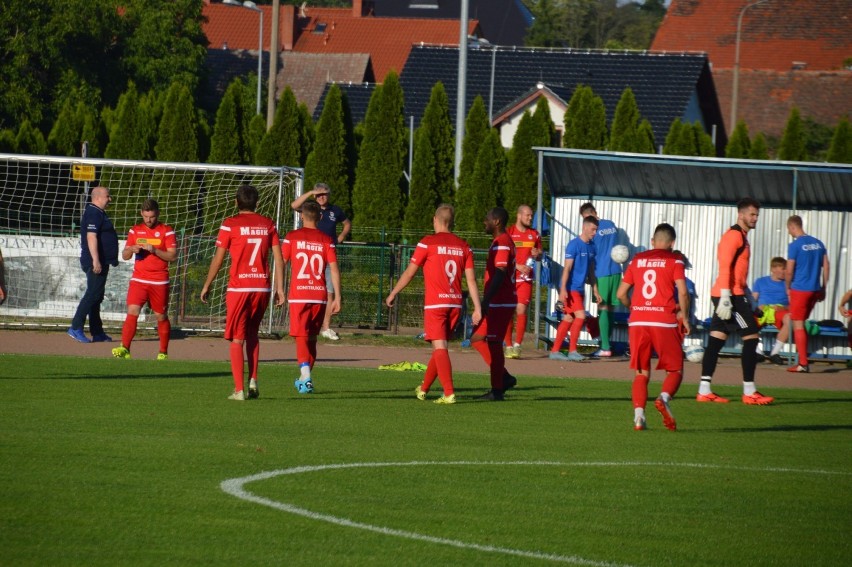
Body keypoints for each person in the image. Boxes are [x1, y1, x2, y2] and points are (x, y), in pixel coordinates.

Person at [385, 205, 482, 404]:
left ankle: (448, 392)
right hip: (455, 303)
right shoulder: (464, 246)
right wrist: (477, 308)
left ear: (434, 219)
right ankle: (424, 388)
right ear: (452, 222)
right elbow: (471, 280)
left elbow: (410, 273)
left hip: (436, 304)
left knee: (440, 349)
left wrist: (394, 292)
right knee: (440, 347)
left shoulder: (427, 243)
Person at [200, 184, 285, 401]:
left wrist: (207, 284)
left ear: (237, 202)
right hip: (261, 288)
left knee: (237, 340)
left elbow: (218, 258)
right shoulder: (268, 224)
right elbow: (278, 257)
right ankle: (253, 379)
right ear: (256, 203)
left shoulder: (230, 224)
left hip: (240, 288)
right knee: (253, 334)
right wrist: (280, 288)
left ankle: (239, 390)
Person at [697, 197, 773, 405]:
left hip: (734, 294)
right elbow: (724, 267)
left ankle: (704, 390)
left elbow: (738, 274)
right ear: (741, 215)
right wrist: (725, 297)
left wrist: (750, 299)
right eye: (752, 214)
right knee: (751, 336)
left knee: (716, 340)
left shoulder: (743, 237)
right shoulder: (733, 236)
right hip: (729, 296)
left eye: (757, 215)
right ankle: (749, 391)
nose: (755, 218)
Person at [617, 223, 690, 431]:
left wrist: (635, 308)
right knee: (675, 370)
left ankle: (638, 417)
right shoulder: (675, 260)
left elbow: (621, 294)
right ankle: (664, 398)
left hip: (638, 321)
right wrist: (684, 317)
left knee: (641, 373)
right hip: (663, 321)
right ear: (672, 243)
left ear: (652, 241)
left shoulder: (637, 260)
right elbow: (683, 292)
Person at [281, 200, 341, 394]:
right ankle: (303, 379)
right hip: (319, 295)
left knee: (301, 336)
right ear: (320, 217)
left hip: (299, 294)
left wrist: (279, 288)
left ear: (301, 216)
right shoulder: (326, 239)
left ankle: (306, 377)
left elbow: (281, 263)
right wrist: (338, 297)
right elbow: (334, 268)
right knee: (312, 338)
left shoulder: (292, 237)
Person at [111, 199, 178, 360]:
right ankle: (125, 348)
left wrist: (155, 250)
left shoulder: (167, 231)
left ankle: (163, 352)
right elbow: (125, 256)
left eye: (152, 217)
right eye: (146, 216)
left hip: (159, 281)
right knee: (132, 311)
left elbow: (173, 256)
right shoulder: (135, 231)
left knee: (160, 316)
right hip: (139, 280)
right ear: (142, 213)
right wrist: (131, 249)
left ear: (158, 214)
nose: (149, 220)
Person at [290, 182, 351, 341]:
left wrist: (342, 236)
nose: (321, 197)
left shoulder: (335, 210)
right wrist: (311, 192)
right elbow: (294, 205)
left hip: (328, 254)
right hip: (311, 255)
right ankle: (306, 325)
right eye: (318, 195)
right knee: (308, 289)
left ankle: (326, 327)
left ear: (329, 195)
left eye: (324, 194)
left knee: (329, 291)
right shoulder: (310, 208)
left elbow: (346, 223)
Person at [471, 207, 518, 401]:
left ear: (497, 221)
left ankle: (497, 390)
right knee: (476, 338)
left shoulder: (503, 243)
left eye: (487, 218)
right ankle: (504, 377)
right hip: (498, 300)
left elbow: (500, 273)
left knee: (494, 342)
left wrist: (486, 300)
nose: (485, 221)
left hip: (501, 301)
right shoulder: (499, 241)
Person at [68, 186, 119, 343]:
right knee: (92, 294)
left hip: (102, 261)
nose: (110, 199)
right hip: (95, 262)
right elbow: (91, 237)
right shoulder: (93, 212)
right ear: (98, 197)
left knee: (97, 296)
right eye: (107, 196)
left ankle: (97, 332)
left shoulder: (99, 212)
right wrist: (96, 260)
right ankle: (75, 327)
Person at [549, 215, 601, 362]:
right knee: (581, 316)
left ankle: (555, 351)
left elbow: (591, 271)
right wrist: (563, 289)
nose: (594, 233)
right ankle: (572, 351)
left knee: (569, 317)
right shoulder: (574, 245)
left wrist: (595, 290)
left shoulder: (592, 247)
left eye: (596, 230)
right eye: (592, 229)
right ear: (584, 227)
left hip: (580, 289)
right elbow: (567, 268)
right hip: (571, 288)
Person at [785, 215, 829, 373]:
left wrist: (787, 287)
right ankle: (802, 359)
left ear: (792, 227)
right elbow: (826, 266)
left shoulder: (795, 245)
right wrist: (824, 287)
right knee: (802, 323)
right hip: (814, 289)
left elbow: (789, 270)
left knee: (797, 324)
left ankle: (802, 362)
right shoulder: (818, 243)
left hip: (800, 288)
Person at [580, 203, 622, 357]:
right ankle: (607, 343)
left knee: (602, 308)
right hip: (616, 271)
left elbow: (590, 254)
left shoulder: (594, 231)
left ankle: (605, 347)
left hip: (601, 272)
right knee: (609, 309)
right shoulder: (611, 224)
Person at [504, 204, 542, 360]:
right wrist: (518, 266)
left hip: (525, 280)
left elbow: (539, 255)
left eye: (531, 215)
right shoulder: (509, 233)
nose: (530, 218)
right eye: (528, 215)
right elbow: (503, 257)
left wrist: (538, 254)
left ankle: (518, 345)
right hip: (510, 278)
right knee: (508, 312)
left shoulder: (535, 235)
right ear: (519, 216)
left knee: (521, 310)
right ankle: (508, 345)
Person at [751, 257, 792, 365]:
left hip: (779, 310)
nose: (785, 272)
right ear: (773, 269)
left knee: (790, 319)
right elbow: (752, 299)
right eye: (783, 269)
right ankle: (757, 352)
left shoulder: (788, 284)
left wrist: (783, 308)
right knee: (745, 320)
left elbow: (793, 304)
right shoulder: (760, 281)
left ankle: (775, 353)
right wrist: (757, 307)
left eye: (786, 269)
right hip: (763, 310)